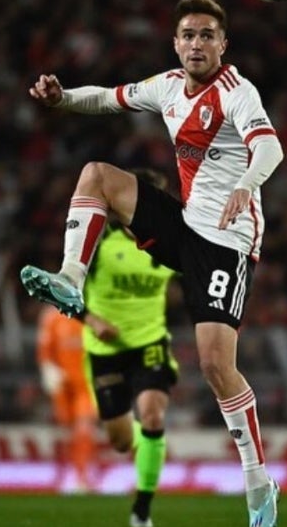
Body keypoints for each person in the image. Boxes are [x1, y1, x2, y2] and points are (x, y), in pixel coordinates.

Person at [21, 0, 284, 527]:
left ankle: (258, 481)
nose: (197, 44)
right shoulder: (167, 86)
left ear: (223, 44)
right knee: (96, 174)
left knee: (215, 366)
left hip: (227, 242)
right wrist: (62, 98)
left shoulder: (237, 92)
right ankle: (71, 277)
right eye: (188, 35)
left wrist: (246, 183)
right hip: (185, 224)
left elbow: (270, 148)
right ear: (176, 43)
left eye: (207, 35)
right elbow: (106, 99)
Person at [78, 169, 180, 527]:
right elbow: (63, 290)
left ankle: (142, 511)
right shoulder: (99, 240)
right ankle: (148, 443)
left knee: (153, 415)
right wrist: (91, 319)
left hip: (150, 342)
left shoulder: (171, 240)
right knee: (121, 441)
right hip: (105, 349)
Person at [36, 304, 97, 492]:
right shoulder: (51, 317)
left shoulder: (92, 314)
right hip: (63, 385)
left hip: (86, 385)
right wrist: (48, 369)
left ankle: (82, 478)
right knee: (66, 430)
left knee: (83, 428)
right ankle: (66, 473)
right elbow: (44, 349)